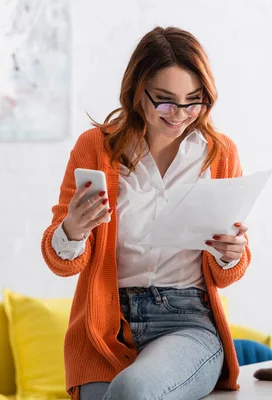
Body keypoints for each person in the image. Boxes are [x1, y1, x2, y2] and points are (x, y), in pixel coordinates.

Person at [41, 26, 251, 400]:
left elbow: (226, 273)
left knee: (131, 390)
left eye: (194, 100)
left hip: (185, 322)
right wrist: (72, 230)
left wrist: (231, 252)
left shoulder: (220, 155)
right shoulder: (96, 148)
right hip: (105, 326)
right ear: (138, 92)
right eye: (166, 101)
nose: (181, 114)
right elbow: (62, 264)